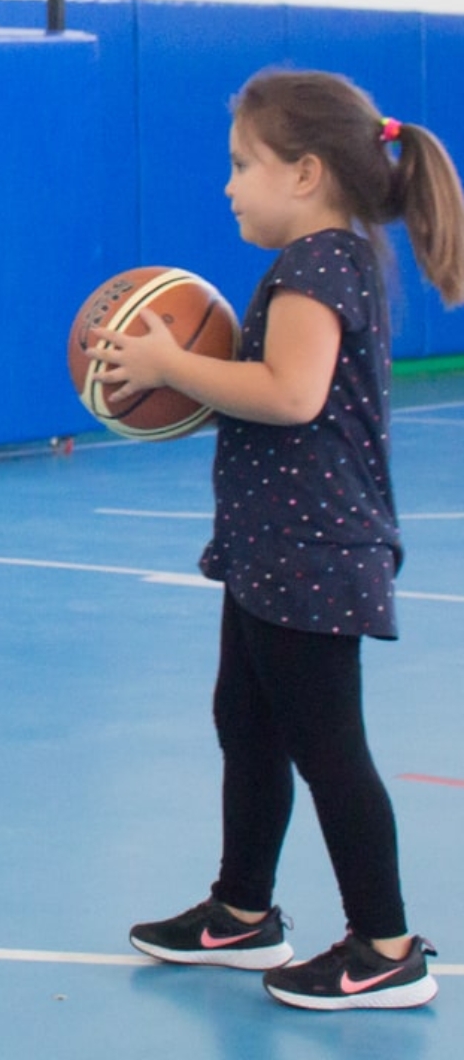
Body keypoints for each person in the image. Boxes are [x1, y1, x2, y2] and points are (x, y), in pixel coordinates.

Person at [97, 68, 462, 1012]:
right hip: (278, 545)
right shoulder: (329, 259)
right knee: (247, 722)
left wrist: (173, 364)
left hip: (313, 552)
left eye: (241, 164)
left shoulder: (315, 266)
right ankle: (241, 913)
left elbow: (292, 394)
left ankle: (386, 949)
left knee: (329, 750)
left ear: (305, 173)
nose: (227, 186)